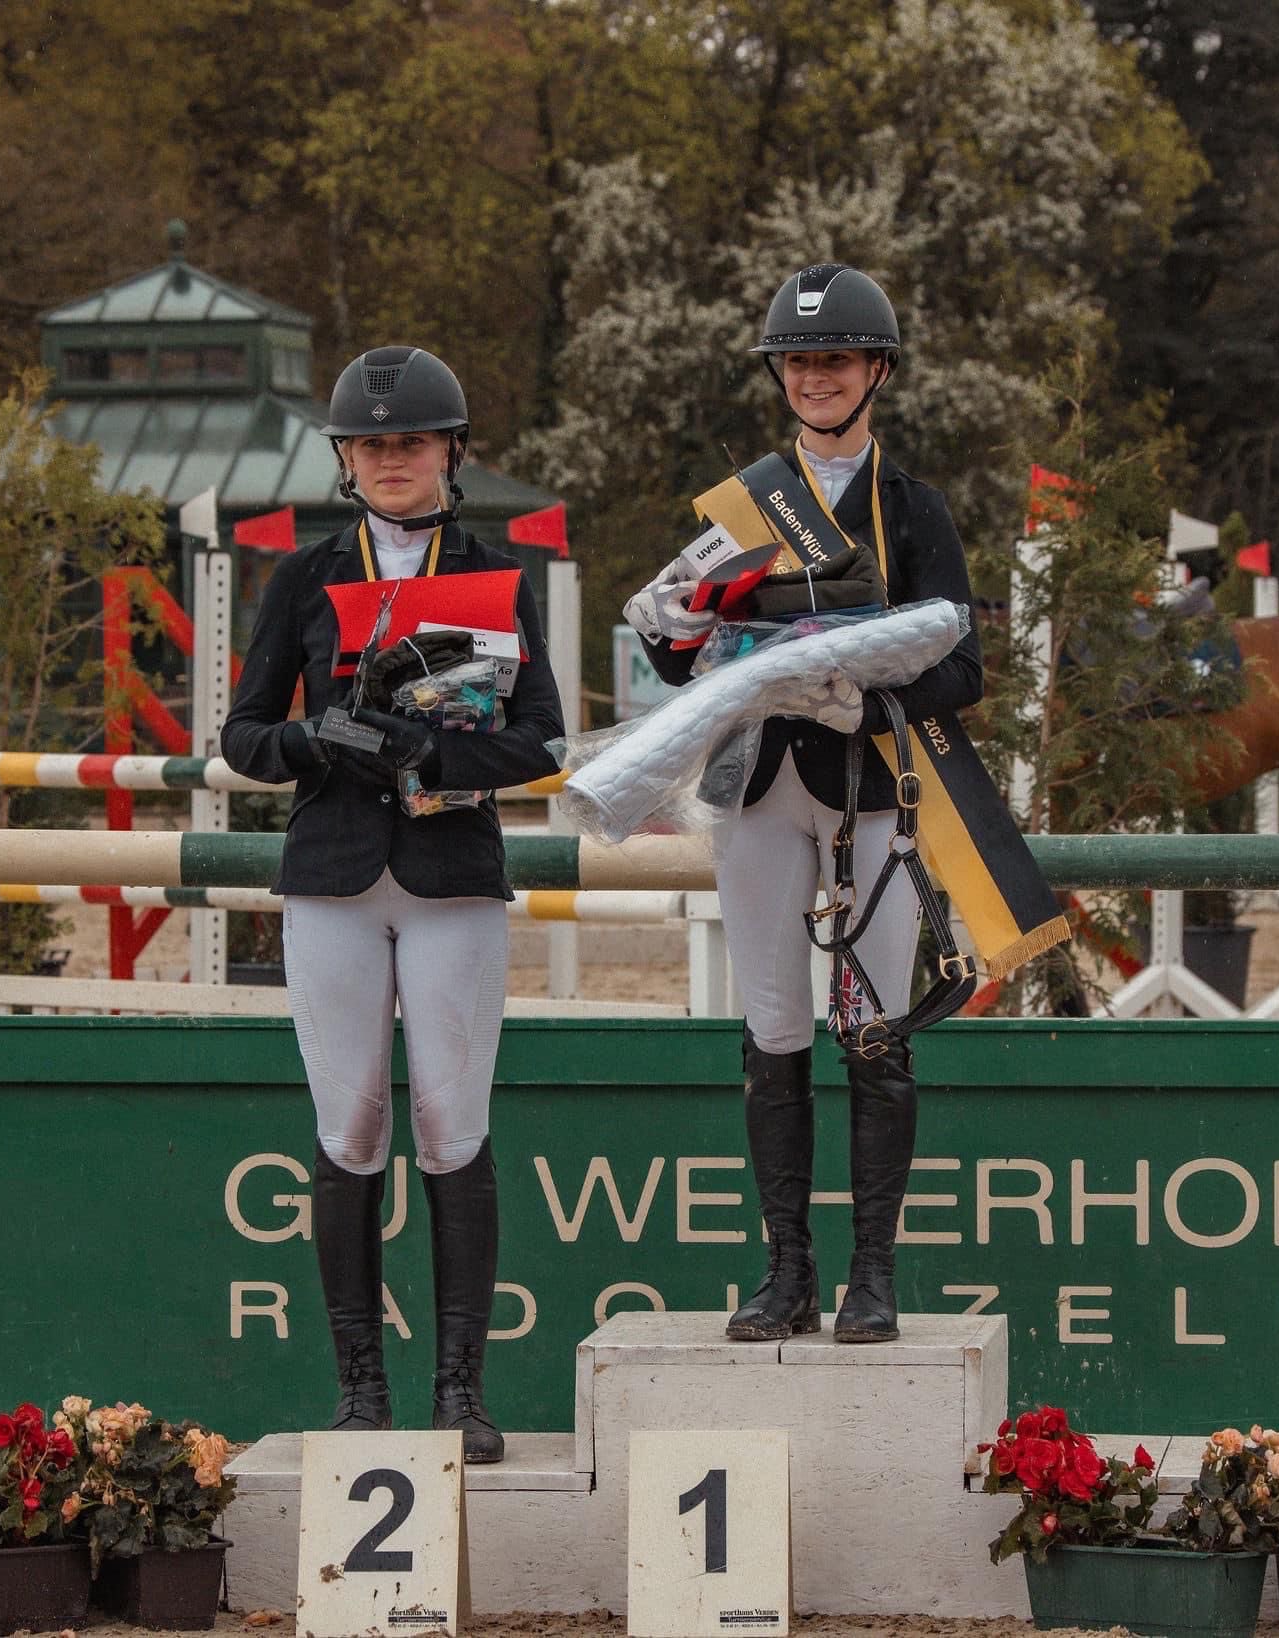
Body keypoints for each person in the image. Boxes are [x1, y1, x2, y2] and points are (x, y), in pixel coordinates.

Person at [625, 265, 982, 1344]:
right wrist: (668, 624)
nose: (813, 378)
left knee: (871, 1027)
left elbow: (963, 672)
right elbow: (681, 655)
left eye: (832, 360)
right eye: (797, 361)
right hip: (757, 788)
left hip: (873, 785)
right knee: (772, 1024)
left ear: (875, 369)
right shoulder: (737, 508)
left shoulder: (915, 510)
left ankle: (871, 1273)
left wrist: (861, 689)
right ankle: (786, 1270)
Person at [222, 346, 563, 1461]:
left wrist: (437, 747)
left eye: (410, 444)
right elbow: (241, 738)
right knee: (351, 1122)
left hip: (449, 872)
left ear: (449, 453)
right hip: (328, 872)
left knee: (450, 1124)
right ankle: (359, 1389)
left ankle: (458, 1390)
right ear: (348, 461)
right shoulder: (305, 577)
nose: (392, 460)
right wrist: (312, 737)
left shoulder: (500, 575)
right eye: (373, 446)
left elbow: (541, 739)